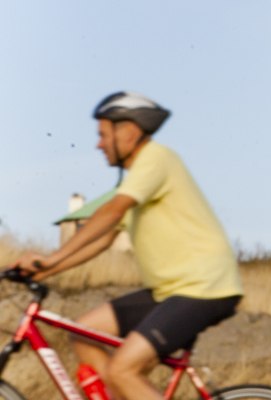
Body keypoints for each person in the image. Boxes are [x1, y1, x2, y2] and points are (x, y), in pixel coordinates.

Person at [7, 92, 242, 400]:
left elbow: (113, 211)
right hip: (169, 290)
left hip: (204, 288)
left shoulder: (156, 159)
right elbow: (105, 238)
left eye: (103, 134)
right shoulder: (134, 179)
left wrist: (52, 258)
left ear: (129, 130)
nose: (98, 144)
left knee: (122, 370)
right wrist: (46, 271)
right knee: (82, 333)